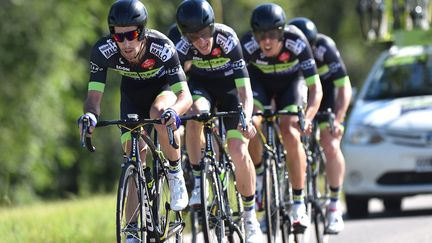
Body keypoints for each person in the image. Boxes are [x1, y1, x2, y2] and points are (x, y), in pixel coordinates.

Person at [77, 0, 192, 232]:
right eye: (119, 37)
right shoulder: (102, 51)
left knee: (158, 113)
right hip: (132, 95)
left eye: (132, 35)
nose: (126, 43)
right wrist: (89, 115)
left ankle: (175, 171)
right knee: (132, 159)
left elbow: (185, 96)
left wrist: (175, 112)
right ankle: (131, 232)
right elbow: (93, 99)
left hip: (162, 90)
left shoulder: (162, 46)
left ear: (143, 31)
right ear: (113, 36)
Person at [174, 0, 262, 242]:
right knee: (194, 117)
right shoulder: (181, 46)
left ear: (212, 27)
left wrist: (245, 116)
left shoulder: (228, 39)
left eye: (205, 34)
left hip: (231, 91)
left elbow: (245, 90)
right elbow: (173, 85)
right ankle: (200, 179)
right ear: (186, 36)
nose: (201, 41)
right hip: (202, 89)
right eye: (194, 37)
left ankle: (249, 215)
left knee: (237, 148)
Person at [240, 3, 322, 232]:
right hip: (259, 85)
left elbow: (316, 88)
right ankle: (258, 177)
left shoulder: (297, 42)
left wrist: (308, 116)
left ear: (282, 32)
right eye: (261, 35)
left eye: (273, 35)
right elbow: (233, 84)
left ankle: (298, 202)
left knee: (290, 129)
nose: (267, 41)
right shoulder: (246, 45)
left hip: (290, 85)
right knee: (251, 124)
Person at [288, 17, 352, 234]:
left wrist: (338, 120)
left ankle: (334, 205)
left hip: (325, 100)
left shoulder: (325, 48)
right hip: (300, 95)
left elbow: (344, 88)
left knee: (330, 143)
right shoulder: (287, 48)